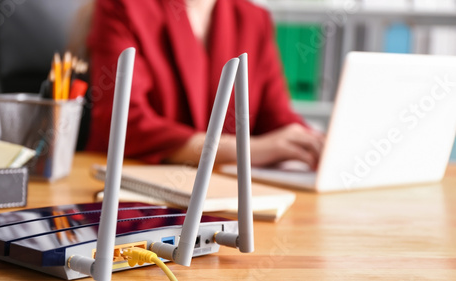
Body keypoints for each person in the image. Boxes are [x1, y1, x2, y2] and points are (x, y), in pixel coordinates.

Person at [86, 0, 324, 168]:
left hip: (227, 197)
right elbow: (124, 125)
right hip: (135, 196)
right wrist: (246, 151)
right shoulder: (124, 6)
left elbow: (277, 119)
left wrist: (312, 143)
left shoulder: (253, 18)